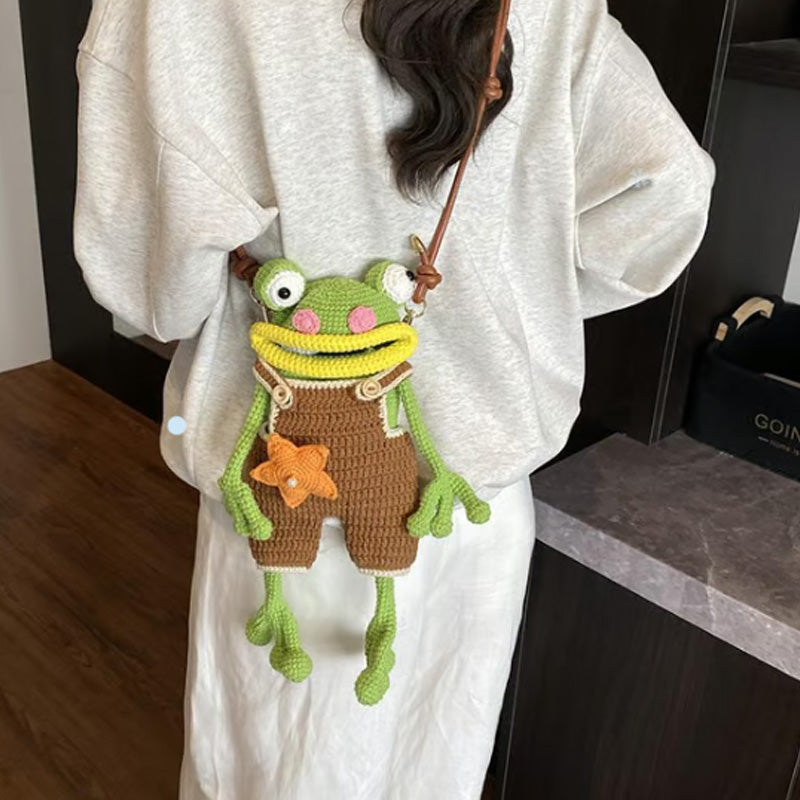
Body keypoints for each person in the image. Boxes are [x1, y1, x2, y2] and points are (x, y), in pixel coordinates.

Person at [73, 0, 715, 797]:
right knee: (436, 770)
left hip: (284, 503)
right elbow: (670, 189)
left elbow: (150, 294)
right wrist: (511, 311)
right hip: (471, 512)